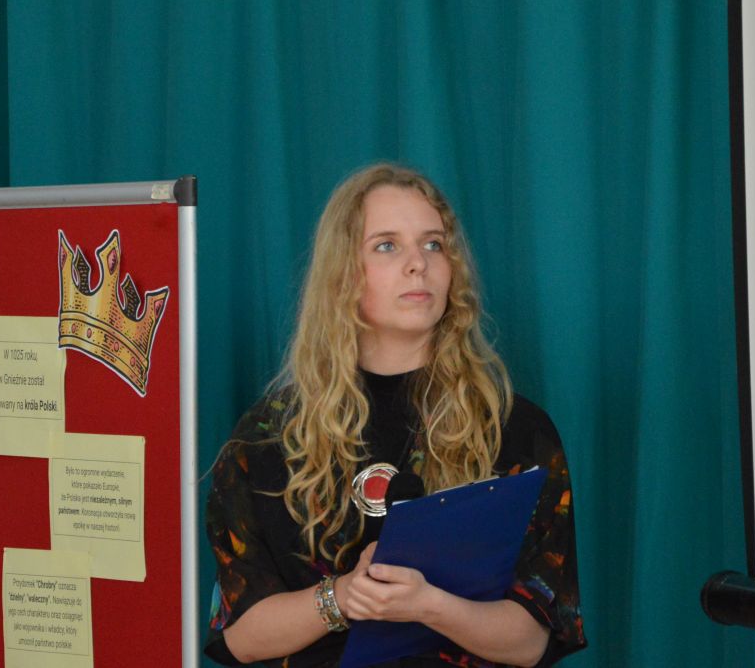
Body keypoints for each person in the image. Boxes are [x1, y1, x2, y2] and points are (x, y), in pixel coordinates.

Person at [206, 164, 585, 667]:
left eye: (433, 244)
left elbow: (531, 642)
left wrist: (430, 605)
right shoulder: (268, 436)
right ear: (342, 273)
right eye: (386, 245)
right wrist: (343, 596)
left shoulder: (516, 429)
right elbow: (241, 638)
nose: (418, 264)